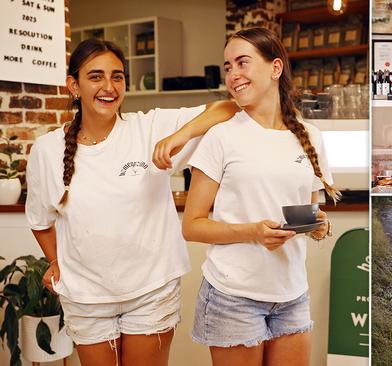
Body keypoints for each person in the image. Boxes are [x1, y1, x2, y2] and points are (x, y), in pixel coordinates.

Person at [26, 38, 239, 366]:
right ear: (74, 85)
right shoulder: (47, 150)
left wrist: (178, 136)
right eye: (95, 76)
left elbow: (228, 107)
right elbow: (41, 221)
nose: (108, 87)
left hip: (151, 292)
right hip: (86, 298)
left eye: (117, 76)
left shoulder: (150, 127)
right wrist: (56, 263)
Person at [177, 27, 339, 366]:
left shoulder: (311, 136)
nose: (233, 75)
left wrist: (318, 224)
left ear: (275, 68)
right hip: (232, 296)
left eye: (242, 63)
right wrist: (253, 232)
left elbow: (310, 214)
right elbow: (192, 226)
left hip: (292, 294)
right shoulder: (220, 137)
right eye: (227, 67)